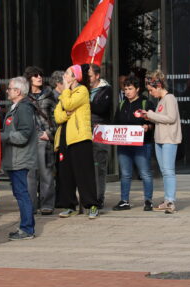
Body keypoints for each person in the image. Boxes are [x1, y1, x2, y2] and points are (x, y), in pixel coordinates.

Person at [54, 64, 99, 219]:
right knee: (66, 174)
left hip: (79, 138)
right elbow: (58, 116)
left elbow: (68, 105)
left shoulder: (82, 90)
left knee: (84, 173)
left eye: (67, 73)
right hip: (65, 138)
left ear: (75, 77)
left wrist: (66, 95)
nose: (64, 76)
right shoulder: (66, 93)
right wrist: (67, 113)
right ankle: (69, 205)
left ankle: (92, 205)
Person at [112, 75, 155, 212]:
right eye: (125, 89)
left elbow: (153, 122)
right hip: (124, 146)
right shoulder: (122, 104)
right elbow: (115, 124)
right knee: (125, 174)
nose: (127, 91)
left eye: (130, 88)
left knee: (145, 173)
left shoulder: (145, 103)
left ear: (137, 89)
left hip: (142, 145)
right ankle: (124, 201)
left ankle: (148, 200)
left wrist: (147, 127)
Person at [1, 77, 37, 240]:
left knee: (22, 194)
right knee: (20, 193)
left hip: (20, 159)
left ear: (18, 91)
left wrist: (3, 136)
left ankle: (27, 229)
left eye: (9, 88)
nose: (7, 91)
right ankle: (26, 226)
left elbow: (24, 135)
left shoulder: (23, 109)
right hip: (14, 159)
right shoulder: (16, 108)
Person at [142, 70, 182, 214]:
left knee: (168, 171)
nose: (151, 93)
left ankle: (170, 201)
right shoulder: (161, 100)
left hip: (169, 140)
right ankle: (167, 200)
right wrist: (149, 117)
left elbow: (171, 118)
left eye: (151, 90)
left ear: (158, 86)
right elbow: (163, 118)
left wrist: (151, 115)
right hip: (160, 140)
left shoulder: (169, 98)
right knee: (165, 171)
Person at [24, 66, 56, 215]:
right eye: (35, 75)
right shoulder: (23, 98)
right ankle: (31, 205)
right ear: (29, 78)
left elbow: (56, 118)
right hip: (29, 140)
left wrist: (49, 134)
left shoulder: (49, 96)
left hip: (44, 139)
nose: (39, 77)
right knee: (30, 175)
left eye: (40, 75)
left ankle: (47, 204)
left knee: (46, 173)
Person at [88, 64, 112, 208]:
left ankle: (99, 197)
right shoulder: (83, 89)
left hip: (100, 130)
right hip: (85, 130)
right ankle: (88, 196)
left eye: (90, 75)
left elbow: (101, 108)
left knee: (99, 166)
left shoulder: (106, 90)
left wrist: (85, 101)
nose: (88, 78)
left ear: (97, 76)